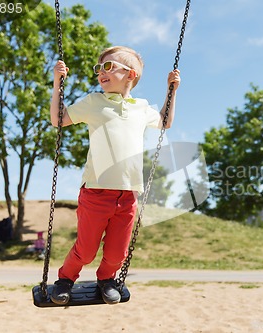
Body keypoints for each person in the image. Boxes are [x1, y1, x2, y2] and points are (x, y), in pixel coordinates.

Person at [49, 46, 181, 305]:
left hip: (129, 193)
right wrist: (57, 82)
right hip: (96, 190)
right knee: (86, 250)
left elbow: (165, 121)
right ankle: (65, 279)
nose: (100, 73)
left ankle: (107, 279)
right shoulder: (93, 102)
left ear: (130, 74)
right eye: (99, 68)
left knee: (117, 252)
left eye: (108, 67)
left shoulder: (141, 107)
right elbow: (58, 119)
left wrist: (172, 90)